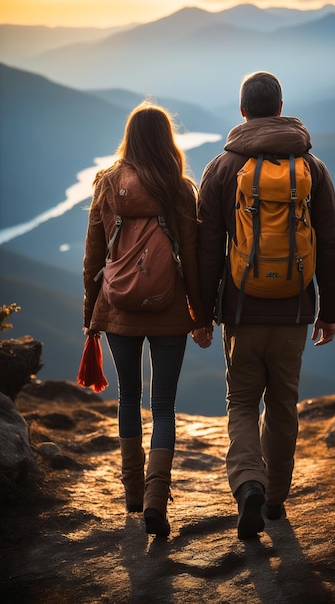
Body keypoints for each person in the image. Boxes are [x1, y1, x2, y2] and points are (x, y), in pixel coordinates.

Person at [193, 71, 335, 540]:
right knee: (282, 404)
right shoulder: (312, 168)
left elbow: (206, 249)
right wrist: (329, 311)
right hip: (295, 310)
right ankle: (275, 498)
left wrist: (201, 316)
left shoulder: (222, 168)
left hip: (241, 311)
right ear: (280, 107)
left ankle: (249, 485)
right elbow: (332, 245)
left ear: (242, 111)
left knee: (241, 402)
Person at [83, 101, 207, 537]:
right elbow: (190, 259)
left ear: (130, 138)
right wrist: (200, 315)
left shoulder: (106, 184)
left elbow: (94, 258)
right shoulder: (179, 190)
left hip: (119, 311)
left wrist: (90, 313)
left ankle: (133, 493)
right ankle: (157, 499)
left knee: (128, 397)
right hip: (170, 310)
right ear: (166, 140)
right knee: (164, 406)